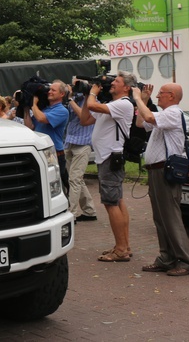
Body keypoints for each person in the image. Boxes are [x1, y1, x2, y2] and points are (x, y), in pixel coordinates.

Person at [132, 83, 189, 276]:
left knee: (170, 217)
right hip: (157, 171)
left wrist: (137, 98)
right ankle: (166, 258)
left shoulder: (173, 113)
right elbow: (140, 123)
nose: (158, 96)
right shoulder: (164, 116)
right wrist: (144, 100)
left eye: (160, 94)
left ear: (171, 96)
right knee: (160, 218)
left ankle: (186, 261)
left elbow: (150, 117)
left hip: (165, 171)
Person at [78, 71, 136, 262]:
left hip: (110, 158)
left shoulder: (123, 104)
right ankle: (124, 245)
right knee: (117, 201)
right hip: (108, 158)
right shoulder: (111, 106)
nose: (112, 84)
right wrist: (87, 94)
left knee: (111, 203)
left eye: (116, 82)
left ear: (126, 87)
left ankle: (120, 249)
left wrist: (93, 93)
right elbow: (85, 119)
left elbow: (93, 105)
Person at [24, 80, 70, 194]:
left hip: (54, 154)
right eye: (49, 89)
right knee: (42, 186)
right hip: (41, 151)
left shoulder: (62, 110)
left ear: (62, 94)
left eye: (53, 90)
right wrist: (25, 107)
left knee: (55, 187)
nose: (49, 92)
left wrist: (33, 104)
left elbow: (42, 119)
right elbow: (29, 126)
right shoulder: (44, 109)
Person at [65, 81, 97, 222]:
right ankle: (89, 211)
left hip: (83, 144)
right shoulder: (75, 99)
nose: (76, 88)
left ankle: (71, 214)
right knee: (76, 179)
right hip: (70, 142)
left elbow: (82, 116)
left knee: (75, 179)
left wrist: (70, 100)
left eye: (78, 85)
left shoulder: (93, 101)